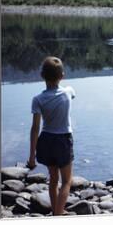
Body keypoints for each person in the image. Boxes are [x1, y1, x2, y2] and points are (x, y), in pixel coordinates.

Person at [27, 56, 75, 215]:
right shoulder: (68, 92)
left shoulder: (37, 99)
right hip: (62, 140)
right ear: (62, 75)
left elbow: (35, 128)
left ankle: (55, 211)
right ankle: (58, 215)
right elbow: (71, 93)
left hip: (46, 140)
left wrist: (32, 155)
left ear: (42, 76)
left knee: (53, 179)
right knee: (67, 181)